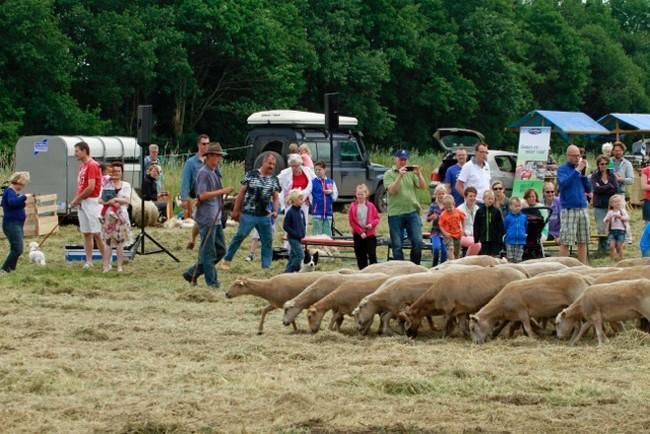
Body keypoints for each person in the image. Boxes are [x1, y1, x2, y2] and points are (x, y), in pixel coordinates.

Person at [183, 143, 233, 287]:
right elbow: (202, 195)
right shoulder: (204, 173)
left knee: (221, 250)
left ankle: (192, 273)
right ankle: (212, 282)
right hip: (207, 218)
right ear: (209, 156)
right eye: (217, 156)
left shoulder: (213, 172)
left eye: (220, 156)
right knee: (208, 252)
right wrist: (222, 191)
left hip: (215, 218)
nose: (219, 159)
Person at [221, 154, 280, 269]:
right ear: (263, 163)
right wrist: (236, 211)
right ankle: (227, 259)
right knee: (240, 235)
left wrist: (275, 210)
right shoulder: (251, 175)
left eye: (273, 165)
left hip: (264, 215)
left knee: (267, 241)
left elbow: (276, 197)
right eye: (270, 163)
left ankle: (266, 266)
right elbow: (241, 194)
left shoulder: (274, 180)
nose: (271, 166)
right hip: (249, 213)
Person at [384, 149, 426, 264]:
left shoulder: (411, 173)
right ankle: (400, 269)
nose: (403, 162)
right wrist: (400, 176)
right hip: (395, 214)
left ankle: (414, 267)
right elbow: (392, 190)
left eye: (405, 159)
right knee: (397, 246)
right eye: (401, 159)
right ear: (395, 159)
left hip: (412, 212)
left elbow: (422, 186)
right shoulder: (388, 174)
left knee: (418, 242)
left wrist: (419, 174)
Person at [69, 141, 106, 269]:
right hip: (83, 201)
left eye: (77, 151)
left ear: (84, 150)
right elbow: (81, 186)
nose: (75, 154)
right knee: (86, 232)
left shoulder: (92, 165)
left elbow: (91, 187)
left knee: (97, 233)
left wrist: (77, 198)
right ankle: (89, 260)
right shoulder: (82, 166)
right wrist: (77, 199)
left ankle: (106, 261)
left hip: (92, 202)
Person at [557, 145, 592, 265]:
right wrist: (576, 171)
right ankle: (563, 267)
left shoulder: (580, 170)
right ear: (568, 156)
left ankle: (582, 265)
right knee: (566, 240)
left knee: (583, 240)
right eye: (575, 156)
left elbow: (588, 188)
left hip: (582, 207)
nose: (578, 158)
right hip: (569, 208)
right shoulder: (562, 169)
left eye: (579, 155)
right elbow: (563, 184)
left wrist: (583, 174)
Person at [99, 162, 132, 273]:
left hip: (121, 217)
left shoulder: (126, 185)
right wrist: (110, 202)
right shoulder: (106, 184)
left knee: (120, 244)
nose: (116, 173)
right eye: (114, 171)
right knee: (107, 243)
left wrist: (116, 200)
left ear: (122, 173)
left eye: (118, 171)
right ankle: (106, 265)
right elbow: (100, 200)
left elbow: (127, 200)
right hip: (108, 217)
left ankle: (119, 266)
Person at [180, 134, 210, 249]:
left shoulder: (212, 160)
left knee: (205, 221)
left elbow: (218, 177)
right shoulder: (191, 163)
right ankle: (198, 241)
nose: (206, 146)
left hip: (211, 196)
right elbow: (185, 181)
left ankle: (196, 240)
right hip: (198, 197)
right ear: (198, 145)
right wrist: (184, 198)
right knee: (201, 221)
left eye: (208, 143)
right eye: (203, 144)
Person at [1, 172, 30, 275]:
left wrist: (22, 201)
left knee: (16, 248)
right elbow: (12, 203)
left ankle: (10, 269)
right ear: (19, 182)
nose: (24, 187)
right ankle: (4, 270)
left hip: (16, 223)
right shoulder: (10, 191)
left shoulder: (12, 193)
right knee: (18, 248)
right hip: (11, 224)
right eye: (23, 184)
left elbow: (10, 204)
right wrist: (24, 197)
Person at [278, 154, 315, 229]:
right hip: (291, 202)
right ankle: (288, 240)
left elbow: (315, 182)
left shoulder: (307, 171)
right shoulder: (285, 173)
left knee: (303, 223)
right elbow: (275, 181)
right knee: (290, 223)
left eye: (296, 166)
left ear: (300, 164)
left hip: (304, 202)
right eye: (292, 166)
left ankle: (302, 239)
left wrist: (308, 196)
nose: (294, 168)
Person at [591, 155, 618, 256]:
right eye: (602, 164)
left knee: (611, 227)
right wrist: (608, 186)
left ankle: (609, 249)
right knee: (601, 228)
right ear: (598, 165)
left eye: (606, 164)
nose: (604, 165)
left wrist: (602, 187)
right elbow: (595, 189)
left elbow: (615, 188)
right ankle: (601, 249)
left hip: (611, 206)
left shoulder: (612, 175)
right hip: (599, 205)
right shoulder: (595, 175)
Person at [349, 184, 380, 270]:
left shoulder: (371, 206)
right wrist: (360, 232)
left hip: (370, 234)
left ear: (366, 194)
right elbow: (352, 221)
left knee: (371, 253)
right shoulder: (353, 206)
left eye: (362, 194)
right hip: (358, 234)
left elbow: (377, 218)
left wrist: (371, 224)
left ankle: (374, 271)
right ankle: (362, 271)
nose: (360, 196)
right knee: (360, 255)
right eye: (358, 194)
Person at [311, 160, 338, 237]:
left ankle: (327, 248)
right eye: (316, 170)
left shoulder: (331, 182)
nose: (317, 171)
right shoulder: (313, 182)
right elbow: (309, 194)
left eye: (319, 169)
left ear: (325, 169)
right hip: (317, 212)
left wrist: (331, 192)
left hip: (328, 213)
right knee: (317, 233)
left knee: (327, 234)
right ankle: (316, 248)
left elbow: (335, 197)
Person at [473, 190, 504, 257]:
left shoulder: (497, 211)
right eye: (488, 198)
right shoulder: (479, 211)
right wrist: (476, 239)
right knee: (485, 257)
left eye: (492, 199)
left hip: (495, 239)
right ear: (484, 199)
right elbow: (476, 226)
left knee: (494, 256)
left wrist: (500, 238)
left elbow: (500, 225)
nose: (490, 200)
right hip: (484, 239)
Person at [283, 189, 306, 273]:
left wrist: (303, 233)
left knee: (293, 255)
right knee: (300, 255)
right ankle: (291, 270)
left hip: (299, 238)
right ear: (294, 200)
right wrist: (294, 233)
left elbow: (303, 224)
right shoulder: (290, 212)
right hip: (293, 238)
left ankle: (286, 272)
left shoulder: (301, 212)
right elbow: (285, 226)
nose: (302, 201)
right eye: (300, 199)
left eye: (302, 199)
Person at [426, 185, 448, 266]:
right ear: (436, 194)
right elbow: (427, 219)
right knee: (436, 248)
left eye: (443, 193)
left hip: (445, 232)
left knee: (444, 251)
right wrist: (432, 217)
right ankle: (434, 265)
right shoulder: (433, 205)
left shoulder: (448, 205)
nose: (441, 195)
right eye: (439, 194)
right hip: (435, 231)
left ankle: (443, 266)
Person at [603, 194, 629, 263]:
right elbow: (605, 220)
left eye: (619, 201)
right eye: (615, 202)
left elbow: (627, 218)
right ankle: (612, 258)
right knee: (611, 246)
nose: (617, 203)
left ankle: (621, 258)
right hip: (612, 231)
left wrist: (620, 217)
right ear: (611, 204)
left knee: (619, 246)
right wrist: (608, 219)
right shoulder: (610, 212)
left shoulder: (622, 211)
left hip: (621, 231)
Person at [439, 194, 464, 260]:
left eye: (450, 207)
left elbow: (463, 219)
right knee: (451, 248)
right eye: (446, 208)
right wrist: (445, 233)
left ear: (454, 204)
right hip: (448, 235)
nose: (449, 209)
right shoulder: (443, 215)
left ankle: (456, 263)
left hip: (457, 234)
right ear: (444, 206)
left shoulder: (458, 212)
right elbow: (440, 225)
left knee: (457, 252)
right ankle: (451, 263)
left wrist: (462, 229)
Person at [504, 197, 527, 263]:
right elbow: (505, 227)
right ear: (511, 207)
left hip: (521, 241)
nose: (518, 208)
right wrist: (508, 234)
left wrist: (524, 234)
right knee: (510, 258)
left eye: (519, 206)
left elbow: (525, 226)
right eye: (516, 206)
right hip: (510, 241)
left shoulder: (524, 217)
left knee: (518, 259)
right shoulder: (508, 217)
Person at [457, 186, 479, 254]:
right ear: (465, 197)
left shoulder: (477, 209)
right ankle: (467, 260)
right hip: (463, 236)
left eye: (474, 196)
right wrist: (464, 233)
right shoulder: (460, 209)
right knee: (475, 243)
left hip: (475, 236)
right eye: (470, 196)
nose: (473, 198)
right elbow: (458, 226)